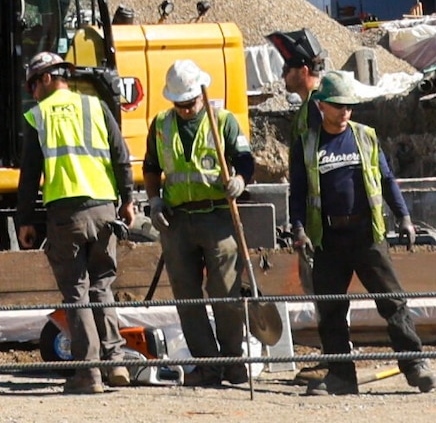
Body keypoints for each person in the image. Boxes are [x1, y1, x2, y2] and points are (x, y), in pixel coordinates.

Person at [296, 69, 434, 394]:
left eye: (348, 106)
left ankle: (415, 365)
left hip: (367, 235)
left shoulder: (364, 136)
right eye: (337, 105)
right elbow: (298, 192)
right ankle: (341, 376)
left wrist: (403, 217)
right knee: (330, 308)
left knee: (393, 301)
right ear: (321, 106)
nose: (344, 112)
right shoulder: (308, 144)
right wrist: (299, 229)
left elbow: (387, 180)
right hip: (328, 239)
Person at [18, 45, 136, 394]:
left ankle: (89, 373)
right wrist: (128, 199)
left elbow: (29, 174)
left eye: (32, 87)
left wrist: (25, 219)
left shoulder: (38, 116)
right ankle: (115, 363)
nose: (33, 94)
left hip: (66, 213)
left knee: (77, 291)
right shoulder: (95, 106)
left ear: (46, 79)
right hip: (104, 209)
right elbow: (121, 155)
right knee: (102, 285)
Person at [139, 56, 259, 386]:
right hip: (177, 221)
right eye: (180, 105)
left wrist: (240, 181)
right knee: (187, 296)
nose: (186, 110)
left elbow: (246, 160)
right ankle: (208, 365)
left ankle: (234, 362)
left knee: (225, 292)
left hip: (217, 216)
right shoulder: (161, 125)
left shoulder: (223, 120)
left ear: (200, 94)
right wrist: (154, 200)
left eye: (190, 103)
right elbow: (151, 167)